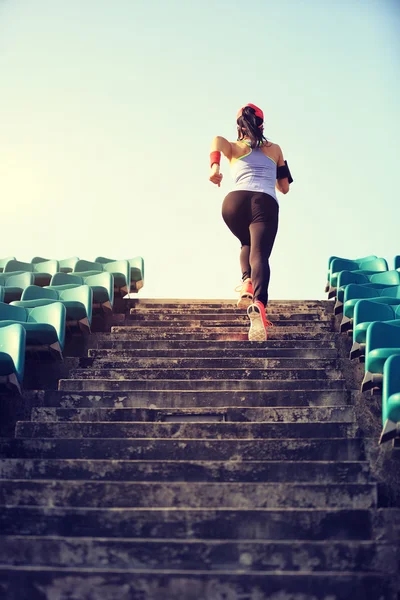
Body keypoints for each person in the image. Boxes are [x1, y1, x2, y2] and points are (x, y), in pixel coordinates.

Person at [209, 103, 292, 341]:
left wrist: (215, 166)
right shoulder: (274, 149)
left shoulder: (234, 147)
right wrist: (278, 166)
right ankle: (259, 305)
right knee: (260, 254)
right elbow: (284, 188)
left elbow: (216, 140)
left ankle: (246, 282)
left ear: (239, 126)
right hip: (263, 202)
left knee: (246, 242)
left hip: (233, 202)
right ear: (262, 125)